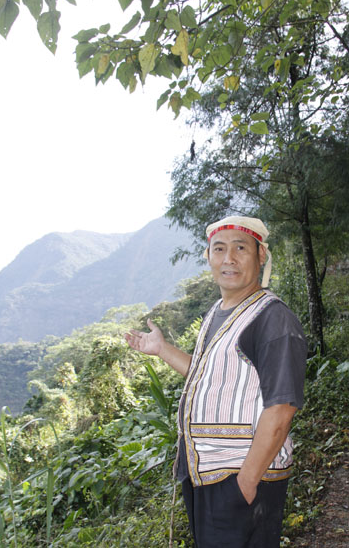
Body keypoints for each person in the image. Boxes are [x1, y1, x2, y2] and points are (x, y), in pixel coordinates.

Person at [124, 216, 307, 548]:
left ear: (261, 255)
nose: (229, 259)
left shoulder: (272, 318)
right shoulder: (218, 312)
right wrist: (162, 349)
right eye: (219, 249)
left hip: (243, 478)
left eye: (241, 248)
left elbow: (281, 408)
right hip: (207, 477)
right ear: (208, 257)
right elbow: (210, 375)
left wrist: (246, 483)